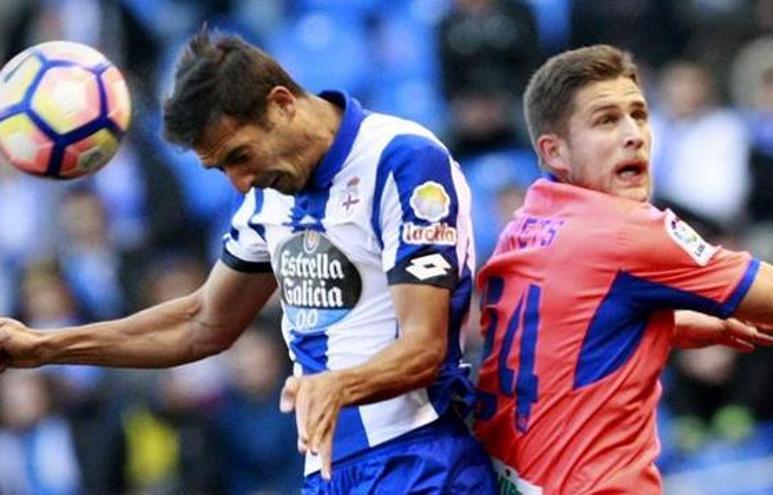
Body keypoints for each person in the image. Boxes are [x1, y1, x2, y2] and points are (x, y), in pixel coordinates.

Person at [0, 28, 497, 494]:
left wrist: (341, 385)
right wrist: (45, 346)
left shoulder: (401, 160)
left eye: (239, 156)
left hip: (419, 459)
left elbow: (424, 346)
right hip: (329, 469)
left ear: (281, 104)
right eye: (220, 169)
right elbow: (202, 323)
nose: (238, 183)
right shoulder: (268, 196)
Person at [471, 44, 773, 494]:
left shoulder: (525, 226)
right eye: (606, 120)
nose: (635, 135)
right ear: (555, 153)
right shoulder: (626, 231)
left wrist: (666, 323)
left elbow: (557, 329)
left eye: (639, 114)